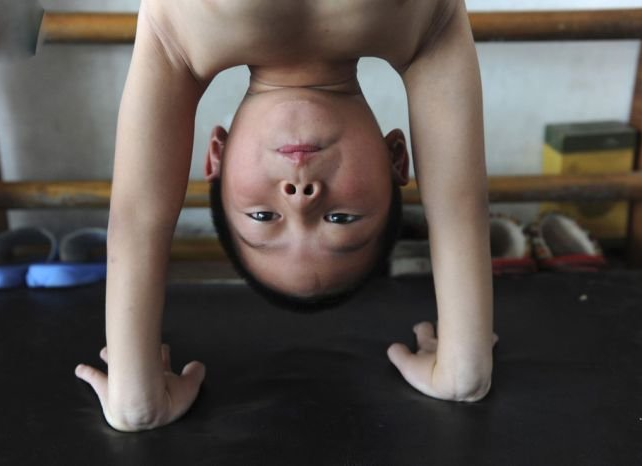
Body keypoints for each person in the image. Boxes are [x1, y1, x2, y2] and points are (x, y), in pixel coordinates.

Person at [75, 0, 495, 432]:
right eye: (341, 219)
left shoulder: (177, 40)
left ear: (216, 155)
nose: (301, 198)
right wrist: (463, 372)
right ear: (396, 159)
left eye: (263, 215)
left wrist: (137, 402)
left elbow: (137, 220)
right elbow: (460, 209)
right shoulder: (427, 25)